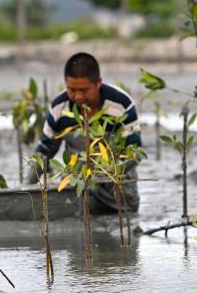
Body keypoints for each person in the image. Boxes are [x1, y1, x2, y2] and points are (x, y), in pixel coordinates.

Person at [27, 52, 141, 213]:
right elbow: (44, 151)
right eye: (71, 90)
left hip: (119, 194)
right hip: (77, 192)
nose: (78, 97)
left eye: (84, 90)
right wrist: (26, 188)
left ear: (98, 83)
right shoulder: (59, 109)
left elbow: (135, 152)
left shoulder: (121, 105)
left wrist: (104, 173)